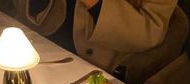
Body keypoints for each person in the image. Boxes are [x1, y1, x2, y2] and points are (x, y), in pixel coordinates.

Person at [13, 0, 179, 74]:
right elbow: (24, 13)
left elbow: (149, 31)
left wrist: (94, 3)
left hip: (106, 66)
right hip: (44, 47)